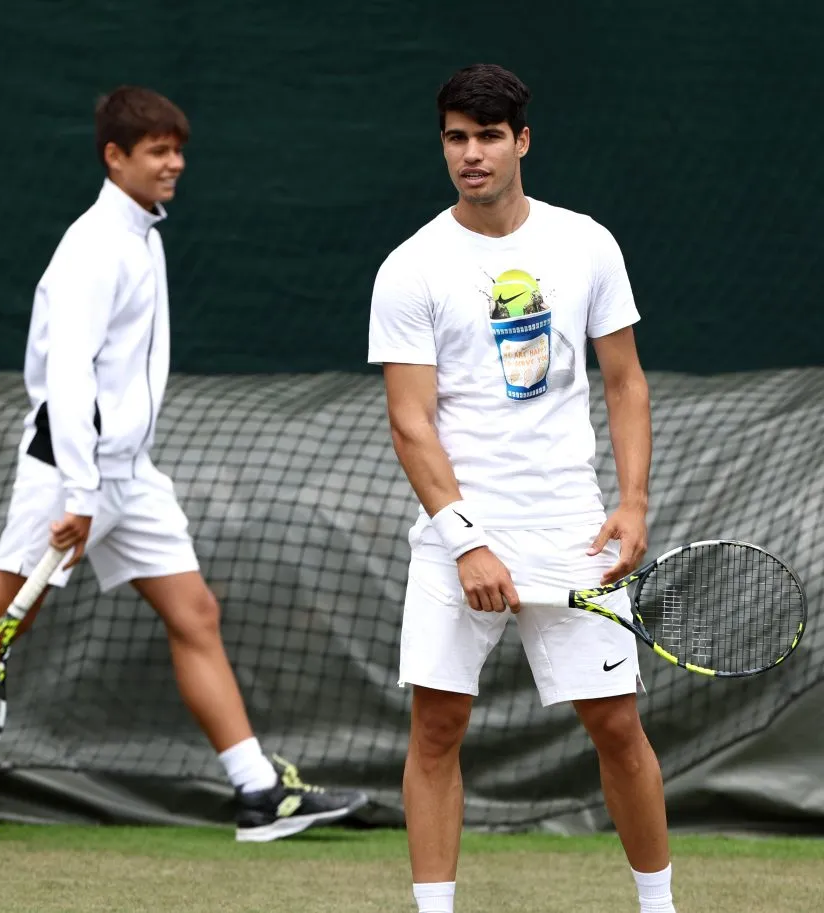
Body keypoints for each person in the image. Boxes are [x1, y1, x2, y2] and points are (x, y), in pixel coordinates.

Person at [0, 85, 367, 844]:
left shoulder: (142, 235)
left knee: (195, 611)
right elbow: (68, 376)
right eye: (158, 151)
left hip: (130, 474)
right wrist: (83, 488)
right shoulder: (94, 247)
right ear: (114, 156)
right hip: (70, 475)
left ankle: (259, 793)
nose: (175, 163)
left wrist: (112, 480)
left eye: (177, 148)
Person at [367, 64, 675, 913]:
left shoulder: (586, 243)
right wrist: (465, 537)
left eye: (489, 137)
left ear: (521, 141)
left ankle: (660, 907)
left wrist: (633, 499)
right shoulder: (411, 266)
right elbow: (410, 420)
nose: (472, 155)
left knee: (617, 726)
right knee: (437, 729)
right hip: (455, 535)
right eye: (457, 138)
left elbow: (625, 382)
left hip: (572, 530)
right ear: (443, 144)